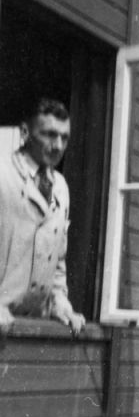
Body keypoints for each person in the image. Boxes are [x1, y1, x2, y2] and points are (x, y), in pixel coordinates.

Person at [0, 98, 85, 336]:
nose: (58, 145)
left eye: (65, 137)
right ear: (25, 132)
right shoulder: (3, 174)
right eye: (49, 134)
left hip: (29, 328)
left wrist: (60, 304)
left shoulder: (60, 187)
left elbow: (57, 261)